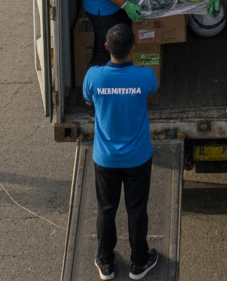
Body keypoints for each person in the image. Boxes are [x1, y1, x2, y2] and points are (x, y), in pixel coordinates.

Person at [83, 24, 159, 281]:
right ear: (133, 49)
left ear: (106, 48)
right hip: (138, 158)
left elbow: (87, 99)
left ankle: (105, 261)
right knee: (136, 209)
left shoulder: (93, 76)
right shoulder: (146, 76)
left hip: (105, 159)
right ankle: (139, 262)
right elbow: (154, 90)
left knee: (106, 208)